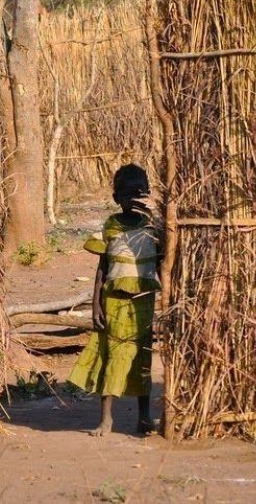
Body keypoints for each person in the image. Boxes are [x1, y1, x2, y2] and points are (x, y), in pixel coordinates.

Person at [67, 163, 162, 437]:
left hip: (143, 303)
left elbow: (163, 262)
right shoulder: (110, 226)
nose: (133, 201)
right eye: (126, 196)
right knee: (113, 358)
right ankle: (106, 419)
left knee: (141, 360)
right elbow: (102, 268)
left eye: (139, 194)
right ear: (116, 199)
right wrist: (96, 304)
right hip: (115, 302)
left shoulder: (153, 227)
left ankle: (143, 418)